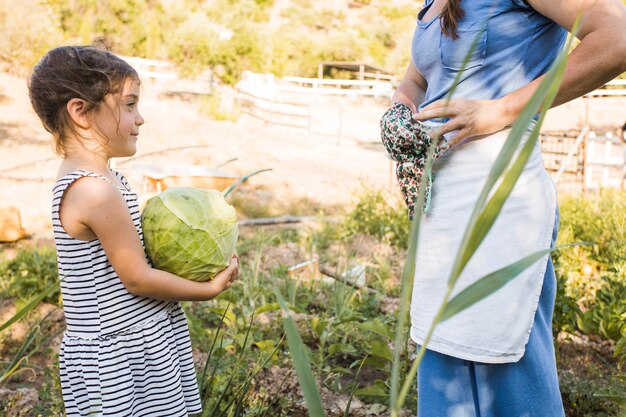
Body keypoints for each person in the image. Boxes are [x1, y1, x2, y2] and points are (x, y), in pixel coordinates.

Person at [387, 0, 626, 416]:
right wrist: (400, 107)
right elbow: (416, 79)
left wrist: (502, 109)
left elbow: (616, 39)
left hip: (500, 197)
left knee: (505, 367)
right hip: (442, 205)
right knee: (443, 355)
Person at [28, 46, 240, 416]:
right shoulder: (95, 190)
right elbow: (137, 278)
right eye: (129, 105)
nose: (140, 118)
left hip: (135, 339)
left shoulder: (100, 179)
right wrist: (208, 289)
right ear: (80, 112)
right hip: (120, 358)